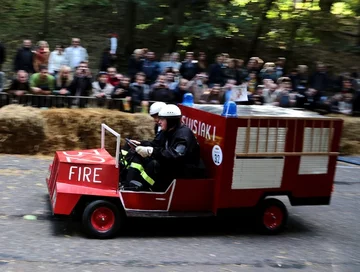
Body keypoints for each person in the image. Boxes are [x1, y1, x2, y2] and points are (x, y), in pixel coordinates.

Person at [121, 104, 201, 192]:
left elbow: (176, 154)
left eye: (162, 119)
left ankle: (147, 189)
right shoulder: (167, 130)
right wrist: (141, 144)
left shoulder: (183, 134)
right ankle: (128, 184)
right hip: (172, 164)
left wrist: (151, 151)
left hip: (184, 170)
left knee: (154, 164)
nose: (159, 122)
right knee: (136, 154)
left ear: (171, 121)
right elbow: (156, 144)